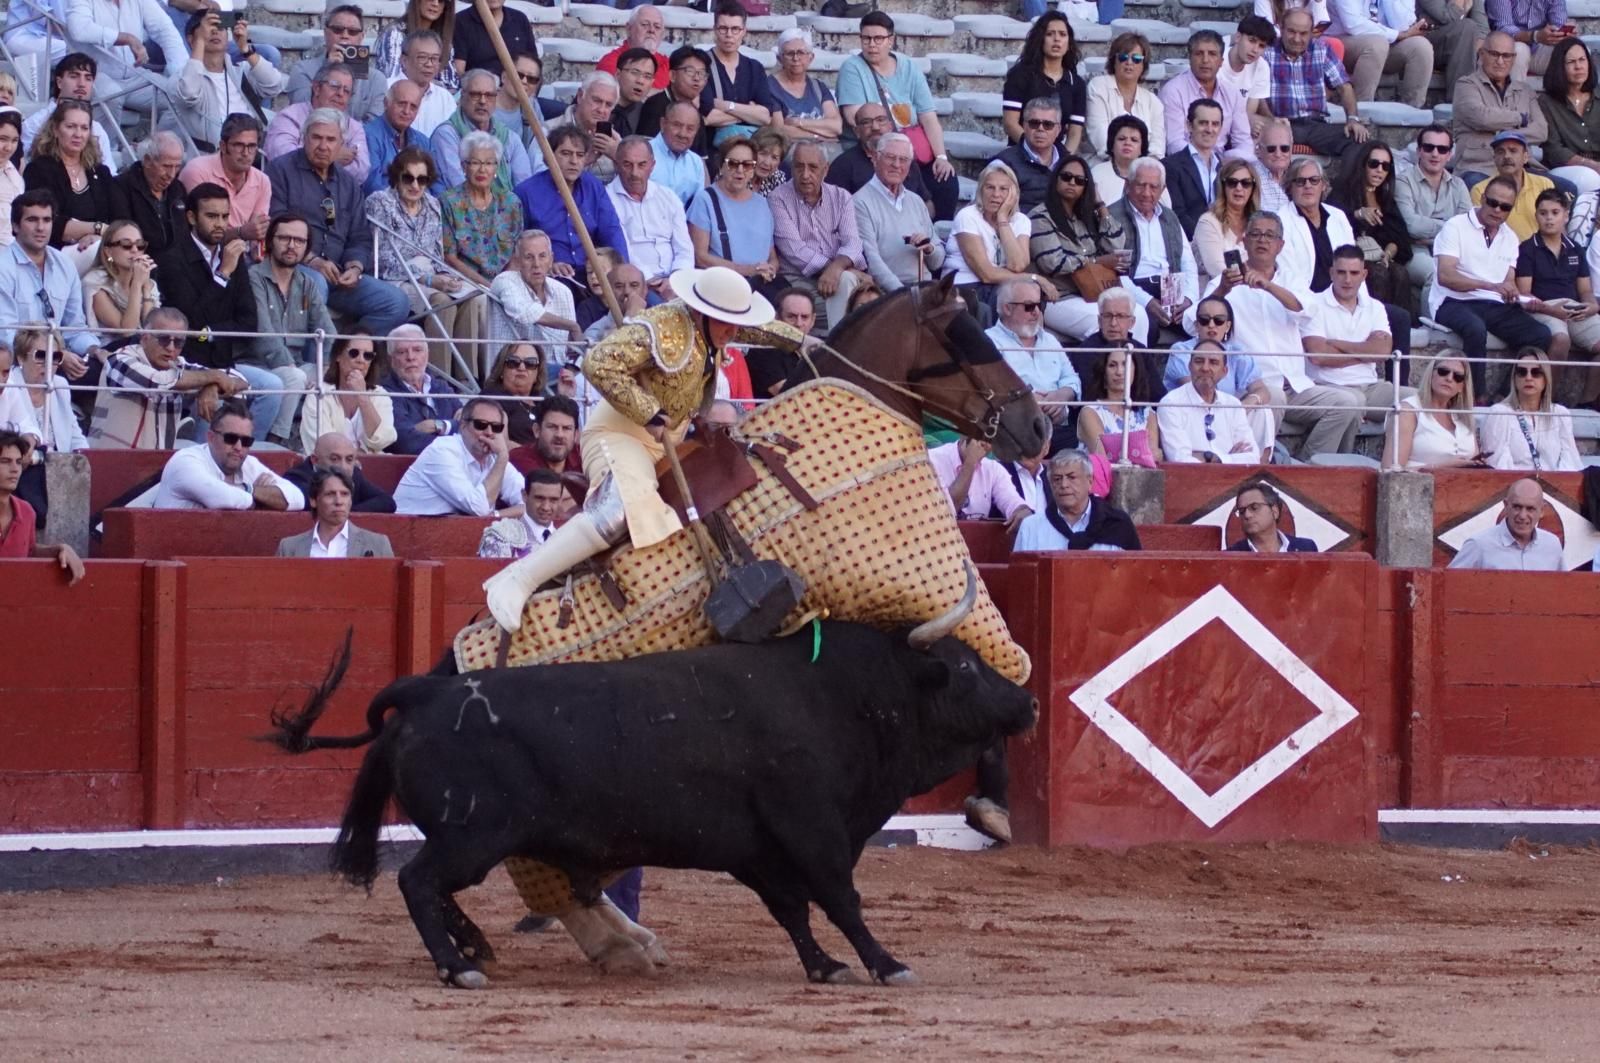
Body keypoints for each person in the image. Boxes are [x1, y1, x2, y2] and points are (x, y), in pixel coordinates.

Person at [481, 265, 804, 631]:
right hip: (620, 432)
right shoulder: (661, 325)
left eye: (735, 323)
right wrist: (648, 411)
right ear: (702, 313)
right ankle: (517, 580)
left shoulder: (715, 324)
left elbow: (758, 329)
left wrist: (804, 343)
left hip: (665, 441)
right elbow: (597, 362)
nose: (733, 333)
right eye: (726, 323)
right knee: (616, 510)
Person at [1202, 210, 1366, 459]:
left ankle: (1310, 466)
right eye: (1255, 234)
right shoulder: (1225, 281)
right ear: (1244, 241)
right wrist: (1223, 290)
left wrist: (1268, 286)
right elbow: (1195, 321)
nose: (1262, 240)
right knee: (1272, 396)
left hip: (1296, 385)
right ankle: (1259, 463)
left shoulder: (1292, 279)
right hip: (1254, 386)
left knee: (1349, 403)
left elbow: (1307, 310)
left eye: (1269, 235)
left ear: (1281, 245)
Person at [267, 109, 411, 336]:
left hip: (339, 275)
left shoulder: (348, 184)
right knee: (316, 284)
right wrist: (313, 260)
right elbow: (275, 225)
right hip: (297, 267)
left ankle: (347, 352)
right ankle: (313, 365)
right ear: (304, 138)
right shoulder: (280, 170)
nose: (323, 146)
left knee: (396, 302)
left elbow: (360, 236)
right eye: (316, 137)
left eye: (331, 139)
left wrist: (354, 267)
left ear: (341, 144)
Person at [1432, 176, 1553, 397]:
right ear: (1483, 198)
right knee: (1475, 329)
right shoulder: (1455, 226)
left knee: (1541, 335)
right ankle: (1476, 396)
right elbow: (1446, 276)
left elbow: (1508, 279)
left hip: (1493, 303)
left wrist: (1513, 291)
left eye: (1505, 207)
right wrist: (1491, 285)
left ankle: (1506, 396)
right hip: (1453, 300)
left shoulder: (1510, 237)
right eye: (1493, 202)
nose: (1497, 210)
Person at [834, 11, 958, 222]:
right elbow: (856, 117)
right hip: (874, 149)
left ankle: (936, 240)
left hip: (913, 151)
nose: (871, 44)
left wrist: (941, 157)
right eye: (866, 38)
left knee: (945, 181)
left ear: (891, 40)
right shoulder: (852, 68)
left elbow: (928, 115)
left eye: (878, 38)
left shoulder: (908, 67)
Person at [366, 146, 478, 376]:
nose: (415, 185)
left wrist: (446, 277)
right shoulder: (379, 202)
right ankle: (441, 379)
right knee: (441, 301)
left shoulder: (433, 204)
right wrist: (428, 278)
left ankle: (468, 377)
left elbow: (436, 253)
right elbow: (384, 260)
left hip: (430, 276)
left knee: (473, 297)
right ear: (396, 176)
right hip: (397, 277)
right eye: (408, 178)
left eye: (422, 179)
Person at [88, 306, 244, 448]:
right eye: (164, 339)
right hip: (108, 462)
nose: (171, 348)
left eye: (178, 342)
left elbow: (240, 379)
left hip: (155, 466)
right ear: (144, 337)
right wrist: (214, 376)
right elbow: (158, 381)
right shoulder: (119, 359)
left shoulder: (179, 366)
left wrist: (212, 385)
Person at [1301, 245, 1415, 427]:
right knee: (1351, 403)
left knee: (1420, 400)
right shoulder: (1314, 304)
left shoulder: (1375, 307)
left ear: (1364, 275)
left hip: (1371, 389)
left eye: (1354, 273)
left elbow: (1383, 351)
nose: (1347, 280)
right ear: (1331, 273)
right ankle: (1315, 456)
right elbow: (1319, 356)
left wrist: (1338, 344)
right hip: (1329, 386)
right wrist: (1365, 352)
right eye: (1341, 272)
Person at [0, 191, 108, 374]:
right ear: (15, 226)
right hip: (18, 366)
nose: (41, 228)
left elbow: (74, 327)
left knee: (107, 368)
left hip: (59, 359)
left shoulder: (64, 264)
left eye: (47, 220)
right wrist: (56, 356)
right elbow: (6, 337)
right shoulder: (3, 267)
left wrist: (95, 349)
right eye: (32, 220)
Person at [1028, 154, 1133, 342]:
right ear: (1056, 179)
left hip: (1092, 294)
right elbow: (1052, 263)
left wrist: (1100, 205)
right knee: (1105, 324)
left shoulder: (1086, 217)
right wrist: (1096, 262)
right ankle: (1103, 370)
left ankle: (1132, 370)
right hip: (1059, 299)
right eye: (1066, 177)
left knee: (1137, 317)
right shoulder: (1040, 217)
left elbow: (1117, 244)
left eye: (1080, 180)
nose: (1072, 183)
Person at [768, 140, 868, 330]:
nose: (805, 175)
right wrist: (838, 269)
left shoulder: (841, 197)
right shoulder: (778, 198)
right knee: (859, 308)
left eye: (813, 167)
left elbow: (853, 242)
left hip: (842, 279)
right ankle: (841, 345)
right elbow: (795, 251)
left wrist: (837, 268)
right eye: (799, 167)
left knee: (860, 295)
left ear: (826, 169)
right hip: (800, 283)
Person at [515, 125, 628, 286]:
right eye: (565, 154)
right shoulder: (526, 192)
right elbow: (518, 246)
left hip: (592, 275)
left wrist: (621, 270)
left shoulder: (593, 187)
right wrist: (547, 265)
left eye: (580, 155)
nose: (574, 161)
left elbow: (611, 232)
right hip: (550, 278)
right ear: (548, 157)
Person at [1166, 296, 1277, 455]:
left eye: (1218, 320)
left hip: (1228, 414)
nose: (1211, 325)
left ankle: (1259, 466)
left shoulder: (1236, 352)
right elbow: (1202, 391)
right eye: (1204, 320)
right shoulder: (1182, 350)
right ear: (1197, 325)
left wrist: (1242, 407)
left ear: (1227, 326)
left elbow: (1262, 390)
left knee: (1263, 411)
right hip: (1192, 414)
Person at [1108, 158, 1198, 346]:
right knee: (1146, 325)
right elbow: (1116, 274)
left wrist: (1188, 299)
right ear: (1128, 185)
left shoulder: (1170, 217)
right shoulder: (1112, 216)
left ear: (1163, 189)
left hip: (1173, 287)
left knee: (1205, 322)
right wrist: (1147, 302)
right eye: (1141, 185)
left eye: (1154, 187)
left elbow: (1188, 262)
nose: (1147, 193)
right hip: (1135, 288)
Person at [169, 10, 286, 152]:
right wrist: (200, 41)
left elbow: (274, 86)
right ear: (191, 38)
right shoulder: (181, 78)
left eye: (221, 28)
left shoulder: (240, 70)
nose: (215, 32)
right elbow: (189, 94)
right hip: (211, 158)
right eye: (209, 28)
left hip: (251, 154)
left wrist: (245, 48)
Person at [153, 401, 304, 511]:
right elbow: (222, 498)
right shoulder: (185, 461)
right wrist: (264, 500)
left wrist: (249, 489)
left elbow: (297, 498)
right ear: (211, 437)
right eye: (230, 438)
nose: (238, 447)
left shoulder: (249, 463)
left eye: (246, 441)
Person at [1520, 188, 1600, 391]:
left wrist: (1591, 306)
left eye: (1555, 213)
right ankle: (1548, 400)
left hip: (1574, 308)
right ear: (1536, 215)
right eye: (1543, 213)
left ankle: (1588, 402)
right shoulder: (1527, 249)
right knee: (1561, 340)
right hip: (1543, 307)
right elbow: (1524, 295)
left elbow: (1585, 290)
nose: (1549, 218)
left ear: (1566, 216)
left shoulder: (1575, 249)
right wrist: (1552, 311)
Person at [944, 160, 1051, 312]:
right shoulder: (967, 216)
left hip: (998, 286)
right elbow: (986, 274)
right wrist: (1033, 278)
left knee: (1032, 296)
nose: (996, 194)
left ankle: (1028, 336)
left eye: (1003, 189)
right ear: (981, 190)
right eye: (990, 187)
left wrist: (1002, 219)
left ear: (1013, 194)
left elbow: (1018, 265)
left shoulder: (1021, 220)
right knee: (1016, 301)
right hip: (964, 287)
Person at [988, 276, 1080, 453]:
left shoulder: (1050, 340)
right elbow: (991, 389)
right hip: (1014, 431)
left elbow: (1071, 377)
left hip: (1059, 429)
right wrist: (1028, 400)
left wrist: (1062, 395)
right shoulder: (989, 341)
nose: (1036, 312)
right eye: (1029, 306)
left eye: (1040, 305)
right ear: (1007, 308)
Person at [23, 99, 125, 258]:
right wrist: (97, 228)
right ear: (56, 130)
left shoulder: (100, 172)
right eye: (70, 127)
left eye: (84, 128)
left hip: (100, 250)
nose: (78, 134)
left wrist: (97, 237)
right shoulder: (39, 170)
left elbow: (121, 217)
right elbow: (50, 223)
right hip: (55, 253)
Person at [394, 395, 525, 517]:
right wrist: (503, 457)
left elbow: (530, 502)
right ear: (463, 426)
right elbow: (478, 508)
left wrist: (496, 516)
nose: (489, 433)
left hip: (450, 533)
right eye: (481, 425)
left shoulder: (494, 458)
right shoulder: (442, 450)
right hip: (408, 532)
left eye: (496, 428)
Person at [1264, 9, 1365, 166]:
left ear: (1312, 33)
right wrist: (1270, 120)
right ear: (1281, 28)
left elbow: (1344, 86)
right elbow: (1255, 94)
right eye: (1291, 31)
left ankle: (1342, 189)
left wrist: (1353, 119)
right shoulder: (1267, 52)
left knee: (1359, 141)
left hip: (1316, 125)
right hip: (1281, 123)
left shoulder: (1321, 49)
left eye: (1303, 33)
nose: (1297, 39)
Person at [688, 136, 780, 297]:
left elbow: (772, 256)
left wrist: (770, 269)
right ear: (721, 166)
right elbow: (700, 257)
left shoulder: (762, 204)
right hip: (724, 284)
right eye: (733, 163)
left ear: (753, 169)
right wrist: (746, 270)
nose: (740, 170)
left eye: (747, 165)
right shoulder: (705, 199)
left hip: (763, 285)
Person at [853, 132, 944, 294]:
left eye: (903, 160)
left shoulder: (916, 201)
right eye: (890, 157)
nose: (896, 165)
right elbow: (872, 262)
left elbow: (937, 262)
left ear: (909, 166)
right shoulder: (860, 202)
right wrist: (903, 294)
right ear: (875, 159)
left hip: (923, 289)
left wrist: (929, 248)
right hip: (888, 293)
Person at [608, 136, 695, 304]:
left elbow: (684, 246)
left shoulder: (668, 196)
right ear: (616, 165)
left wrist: (677, 279)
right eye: (627, 165)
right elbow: (623, 249)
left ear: (652, 166)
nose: (635, 173)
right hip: (638, 283)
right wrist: (651, 280)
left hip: (676, 281)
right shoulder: (607, 199)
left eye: (642, 165)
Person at [1330, 139, 1413, 309]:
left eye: (1385, 166)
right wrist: (1357, 214)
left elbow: (1400, 236)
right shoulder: (1343, 190)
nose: (1379, 170)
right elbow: (1331, 221)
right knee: (1377, 274)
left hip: (1380, 257)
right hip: (1351, 257)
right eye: (1374, 164)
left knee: (1400, 273)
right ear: (1363, 165)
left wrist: (1388, 254)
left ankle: (1403, 326)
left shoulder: (1385, 198)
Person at [1453, 30, 1548, 178]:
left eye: (1506, 56)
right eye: (1494, 54)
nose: (1500, 61)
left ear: (1514, 58)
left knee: (1568, 189)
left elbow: (1541, 131)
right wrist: (1520, 119)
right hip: (1479, 167)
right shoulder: (1466, 85)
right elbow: (1482, 118)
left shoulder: (1524, 90)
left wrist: (1502, 134)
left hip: (1522, 170)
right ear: (1482, 54)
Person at [489, 229, 581, 381]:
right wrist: (572, 326)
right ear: (517, 261)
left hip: (554, 377)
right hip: (511, 373)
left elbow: (567, 349)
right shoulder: (504, 280)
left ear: (551, 260)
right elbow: (526, 313)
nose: (536, 264)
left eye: (542, 256)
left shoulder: (563, 292)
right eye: (529, 257)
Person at [1396, 124, 1474, 297]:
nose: (1435, 154)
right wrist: (1450, 227)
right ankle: (1430, 324)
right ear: (1419, 151)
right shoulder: (1403, 181)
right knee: (1436, 275)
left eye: (1442, 149)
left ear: (1449, 154)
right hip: (1414, 251)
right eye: (1429, 147)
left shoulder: (1458, 185)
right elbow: (1411, 225)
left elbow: (1467, 229)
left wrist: (1429, 238)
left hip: (1451, 252)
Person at [1012, 449, 1142, 552]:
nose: (1064, 485)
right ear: (1050, 484)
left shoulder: (1117, 524)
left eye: (1071, 477)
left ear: (1090, 482)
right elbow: (1023, 580)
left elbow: (1135, 575)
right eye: (1057, 479)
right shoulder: (1031, 527)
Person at [63, 0, 185, 110]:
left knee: (183, 95)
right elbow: (80, 29)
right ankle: (103, 136)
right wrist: (126, 38)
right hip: (96, 75)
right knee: (111, 95)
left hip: (135, 75)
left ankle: (162, 135)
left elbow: (165, 30)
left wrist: (181, 74)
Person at [441, 131, 523, 291]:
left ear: (497, 168)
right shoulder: (449, 202)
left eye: (488, 163)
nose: (482, 170)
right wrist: (489, 287)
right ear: (464, 166)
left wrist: (503, 285)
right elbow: (449, 257)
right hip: (465, 283)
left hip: (507, 282)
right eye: (475, 163)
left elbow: (517, 252)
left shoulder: (511, 202)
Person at [264, 63, 370, 186]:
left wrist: (318, 162)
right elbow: (281, 155)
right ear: (316, 88)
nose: (340, 94)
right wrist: (332, 157)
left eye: (347, 91)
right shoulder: (290, 116)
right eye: (335, 87)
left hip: (338, 194)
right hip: (293, 190)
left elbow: (361, 170)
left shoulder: (355, 128)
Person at [1157, 341, 1261, 463]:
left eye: (1213, 362)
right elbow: (1180, 459)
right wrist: (1230, 459)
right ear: (1189, 366)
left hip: (1234, 479)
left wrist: (1215, 458)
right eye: (1199, 361)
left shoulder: (1233, 404)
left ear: (1224, 371)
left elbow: (1253, 457)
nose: (1205, 368)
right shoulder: (1171, 404)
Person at [0, 430, 84, 581]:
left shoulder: (26, 511)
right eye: (5, 461)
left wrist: (59, 549)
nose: (14, 469)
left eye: (19, 462)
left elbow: (29, 551)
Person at [1480, 347, 1583, 470]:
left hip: (1555, 486)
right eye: (1522, 372)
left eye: (1536, 372)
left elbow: (1571, 460)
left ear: (1546, 379)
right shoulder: (1500, 413)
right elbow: (1497, 464)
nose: (1528, 378)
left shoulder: (1560, 414)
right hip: (1514, 486)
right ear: (1514, 378)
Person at [300, 329, 396, 458]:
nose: (361, 360)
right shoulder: (318, 394)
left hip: (371, 467)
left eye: (368, 356)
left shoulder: (380, 395)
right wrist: (361, 455)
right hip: (328, 473)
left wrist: (363, 397)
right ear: (338, 356)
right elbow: (322, 447)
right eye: (354, 353)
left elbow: (382, 440)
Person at [1160, 29, 1256, 158]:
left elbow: (1243, 140)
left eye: (1212, 54)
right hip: (1185, 165)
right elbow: (1174, 144)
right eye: (1199, 53)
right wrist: (1206, 161)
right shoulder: (1173, 91)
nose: (1205, 60)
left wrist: (1230, 163)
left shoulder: (1232, 94)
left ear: (1221, 61)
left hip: (1223, 166)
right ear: (1190, 58)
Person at [178, 114, 270, 248]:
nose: (246, 153)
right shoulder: (197, 171)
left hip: (242, 257)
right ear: (223, 146)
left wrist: (257, 247)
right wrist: (241, 233)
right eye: (238, 145)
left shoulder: (262, 181)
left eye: (251, 146)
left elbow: (257, 232)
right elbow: (199, 234)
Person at [1535, 35, 1600, 220]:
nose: (1578, 66)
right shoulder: (1547, 102)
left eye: (1582, 60)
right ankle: (1580, 237)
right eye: (1571, 62)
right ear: (1559, 68)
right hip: (1566, 167)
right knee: (1590, 178)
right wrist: (1593, 165)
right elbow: (1553, 149)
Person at [1328, 0, 1434, 109]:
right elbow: (1353, 25)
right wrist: (1398, 35)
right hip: (1343, 42)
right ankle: (1361, 113)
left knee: (1421, 46)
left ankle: (1411, 114)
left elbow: (1403, 26)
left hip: (1385, 42)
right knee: (1377, 44)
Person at [1381, 353, 1483, 467]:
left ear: (1462, 387)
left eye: (1457, 377)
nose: (1449, 378)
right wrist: (1443, 467)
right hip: (1420, 483)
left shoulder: (1464, 416)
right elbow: (1390, 469)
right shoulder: (1407, 411)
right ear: (1431, 374)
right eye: (1443, 371)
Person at [1004, 13, 1086, 154]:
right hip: (1021, 152)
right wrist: (1036, 152)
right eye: (1050, 34)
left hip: (1058, 157)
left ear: (1069, 43)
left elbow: (1075, 132)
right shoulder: (1020, 75)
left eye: (1062, 34)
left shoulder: (1076, 84)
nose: (1057, 39)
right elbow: (1010, 123)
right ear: (1040, 39)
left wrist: (1062, 160)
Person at [288, 5, 385, 122]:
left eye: (352, 32)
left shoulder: (376, 79)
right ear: (326, 33)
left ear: (361, 37)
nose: (345, 35)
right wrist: (327, 71)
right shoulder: (302, 69)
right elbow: (300, 110)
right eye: (338, 30)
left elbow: (374, 124)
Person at [20, 52, 117, 166]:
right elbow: (24, 167)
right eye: (74, 76)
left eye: (88, 78)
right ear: (59, 82)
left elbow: (110, 172)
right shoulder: (35, 124)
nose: (81, 84)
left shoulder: (97, 130)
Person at [382, 322, 465, 456]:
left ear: (427, 354)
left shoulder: (441, 387)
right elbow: (405, 442)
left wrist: (437, 425)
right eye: (402, 352)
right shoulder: (385, 392)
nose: (410, 357)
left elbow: (468, 425)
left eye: (417, 350)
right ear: (391, 359)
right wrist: (454, 432)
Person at [1077, 338, 1161, 468]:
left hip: (1140, 483)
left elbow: (1153, 457)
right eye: (1112, 365)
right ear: (1103, 372)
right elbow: (1101, 459)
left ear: (1136, 370)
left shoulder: (1148, 413)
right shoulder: (1090, 412)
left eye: (1125, 364)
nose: (1119, 372)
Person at [824, 104, 932, 203]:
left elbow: (926, 202)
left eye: (880, 120)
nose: (875, 127)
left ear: (890, 127)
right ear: (857, 131)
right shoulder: (843, 166)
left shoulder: (906, 160)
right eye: (866, 122)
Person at [1448, 477, 1563, 569]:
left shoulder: (1552, 545)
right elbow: (1449, 586)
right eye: (1517, 507)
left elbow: (1564, 589)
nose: (1522, 516)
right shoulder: (1479, 545)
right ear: (1506, 506)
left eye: (1530, 509)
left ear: (1542, 511)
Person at [277, 469, 395, 559]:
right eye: (330, 494)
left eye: (344, 494)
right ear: (313, 500)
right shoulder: (289, 547)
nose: (339, 502)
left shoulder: (378, 544)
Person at [1085, 32, 1166, 161]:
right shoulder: (1098, 87)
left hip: (1142, 171)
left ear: (1143, 65)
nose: (1129, 62)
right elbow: (1101, 139)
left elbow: (1157, 149)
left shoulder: (1154, 103)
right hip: (1104, 164)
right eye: (1123, 57)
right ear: (1114, 61)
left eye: (1136, 59)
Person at [6, 327, 88, 453]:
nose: (48, 363)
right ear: (21, 357)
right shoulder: (8, 386)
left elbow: (75, 437)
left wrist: (86, 459)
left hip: (61, 465)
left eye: (55, 357)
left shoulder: (60, 385)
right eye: (40, 356)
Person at [282, 431, 398, 514]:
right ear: (315, 460)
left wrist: (346, 512)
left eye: (349, 459)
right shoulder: (297, 477)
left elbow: (387, 502)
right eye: (334, 459)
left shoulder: (354, 474)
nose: (343, 466)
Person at [928, 437, 1033, 527]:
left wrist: (1021, 510)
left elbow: (1011, 501)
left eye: (990, 435)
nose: (982, 441)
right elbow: (947, 511)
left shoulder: (993, 469)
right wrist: (971, 462)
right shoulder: (931, 460)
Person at [1471, 131, 1556, 241]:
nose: (1506, 156)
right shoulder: (1480, 190)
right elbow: (1479, 233)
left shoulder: (1544, 184)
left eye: (1513, 151)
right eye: (1500, 152)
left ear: (1525, 157)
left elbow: (1555, 227)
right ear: (1494, 158)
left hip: (1539, 253)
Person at [82, 218, 159, 338]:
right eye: (126, 245)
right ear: (108, 252)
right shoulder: (95, 282)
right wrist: (137, 285)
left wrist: (146, 290)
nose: (134, 250)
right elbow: (127, 331)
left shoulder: (146, 281)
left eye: (140, 245)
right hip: (110, 350)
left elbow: (151, 330)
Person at [114, 131, 186, 259]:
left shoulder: (178, 189)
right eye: (167, 166)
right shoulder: (121, 187)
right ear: (147, 161)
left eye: (177, 167)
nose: (172, 174)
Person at [1163, 98, 1227, 239]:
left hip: (1223, 242)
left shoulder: (1225, 169)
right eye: (1203, 123)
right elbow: (1176, 213)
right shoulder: (1170, 166)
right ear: (1189, 125)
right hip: (1189, 243)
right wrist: (1205, 239)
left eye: (1215, 124)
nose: (1209, 129)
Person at [768, 29, 842, 147]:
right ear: (780, 58)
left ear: (810, 57)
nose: (796, 58)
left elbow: (836, 127)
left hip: (826, 149)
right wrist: (818, 136)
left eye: (801, 52)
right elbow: (780, 130)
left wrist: (799, 122)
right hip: (790, 150)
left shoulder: (818, 87)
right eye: (789, 53)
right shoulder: (770, 87)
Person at [638, 45, 714, 159]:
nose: (696, 78)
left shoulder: (695, 114)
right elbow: (645, 153)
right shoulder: (655, 106)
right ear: (672, 75)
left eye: (702, 73)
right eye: (690, 71)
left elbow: (701, 160)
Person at [989, 98, 1063, 215]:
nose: (1040, 129)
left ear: (1058, 130)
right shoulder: (1004, 164)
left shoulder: (1069, 164)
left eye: (1048, 125)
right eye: (1034, 123)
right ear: (1024, 126)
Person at [1194, 157, 1259, 285]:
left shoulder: (1258, 222)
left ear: (1253, 188)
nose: (1239, 188)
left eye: (1245, 183)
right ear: (1223, 186)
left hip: (1255, 291)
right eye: (1232, 182)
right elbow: (1218, 271)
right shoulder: (1208, 222)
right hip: (1217, 295)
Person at [548, 71, 622, 182]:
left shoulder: (615, 140)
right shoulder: (547, 131)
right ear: (580, 96)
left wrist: (620, 158)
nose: (601, 110)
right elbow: (539, 181)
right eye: (597, 101)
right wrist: (584, 160)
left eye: (608, 105)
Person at [374, 0, 458, 97]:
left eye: (441, 1)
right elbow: (393, 80)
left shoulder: (444, 40)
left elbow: (452, 85)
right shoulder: (395, 33)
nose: (435, 4)